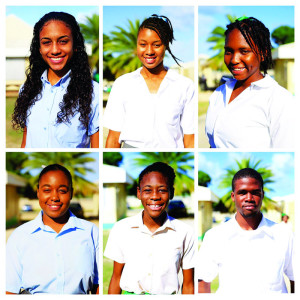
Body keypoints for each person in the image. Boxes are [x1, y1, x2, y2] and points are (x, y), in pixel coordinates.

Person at [197, 168, 295, 294]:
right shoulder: (214, 237)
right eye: (242, 192)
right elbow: (203, 283)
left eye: (255, 192)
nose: (249, 198)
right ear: (233, 196)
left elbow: (295, 279)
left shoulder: (284, 234)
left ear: (262, 195)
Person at [104, 15, 195, 148]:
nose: (149, 51)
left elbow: (190, 138)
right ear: (137, 44)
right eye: (143, 44)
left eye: (156, 45)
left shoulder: (184, 86)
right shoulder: (123, 84)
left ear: (166, 44)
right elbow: (113, 138)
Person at [6, 164, 99, 294]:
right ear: (38, 192)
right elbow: (9, 291)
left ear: (71, 193)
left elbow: (98, 286)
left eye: (62, 191)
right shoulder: (19, 236)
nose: (54, 197)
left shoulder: (91, 232)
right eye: (47, 190)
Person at [104, 162, 195, 294]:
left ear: (171, 193)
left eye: (162, 190)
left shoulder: (185, 232)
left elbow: (188, 284)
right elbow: (116, 277)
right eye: (147, 190)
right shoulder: (121, 229)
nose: (155, 196)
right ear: (139, 193)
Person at [12, 12, 99, 148]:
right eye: (46, 43)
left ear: (75, 45)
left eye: (63, 41)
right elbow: (25, 143)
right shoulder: (27, 89)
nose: (55, 50)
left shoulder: (94, 93)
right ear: (39, 49)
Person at [205, 17, 295, 148]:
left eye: (244, 51)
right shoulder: (220, 92)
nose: (234, 59)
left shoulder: (280, 100)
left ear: (263, 54)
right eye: (229, 51)